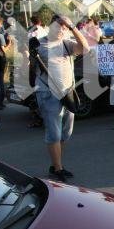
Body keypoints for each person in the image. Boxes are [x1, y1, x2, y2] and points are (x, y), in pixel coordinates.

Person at [31, 15, 89, 182]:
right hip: (48, 93)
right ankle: (57, 168)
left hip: (67, 93)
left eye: (65, 27)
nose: (62, 29)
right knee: (54, 134)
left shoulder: (66, 43)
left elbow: (85, 48)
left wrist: (73, 27)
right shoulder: (39, 44)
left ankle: (56, 163)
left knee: (66, 133)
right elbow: (29, 63)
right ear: (50, 26)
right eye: (59, 25)